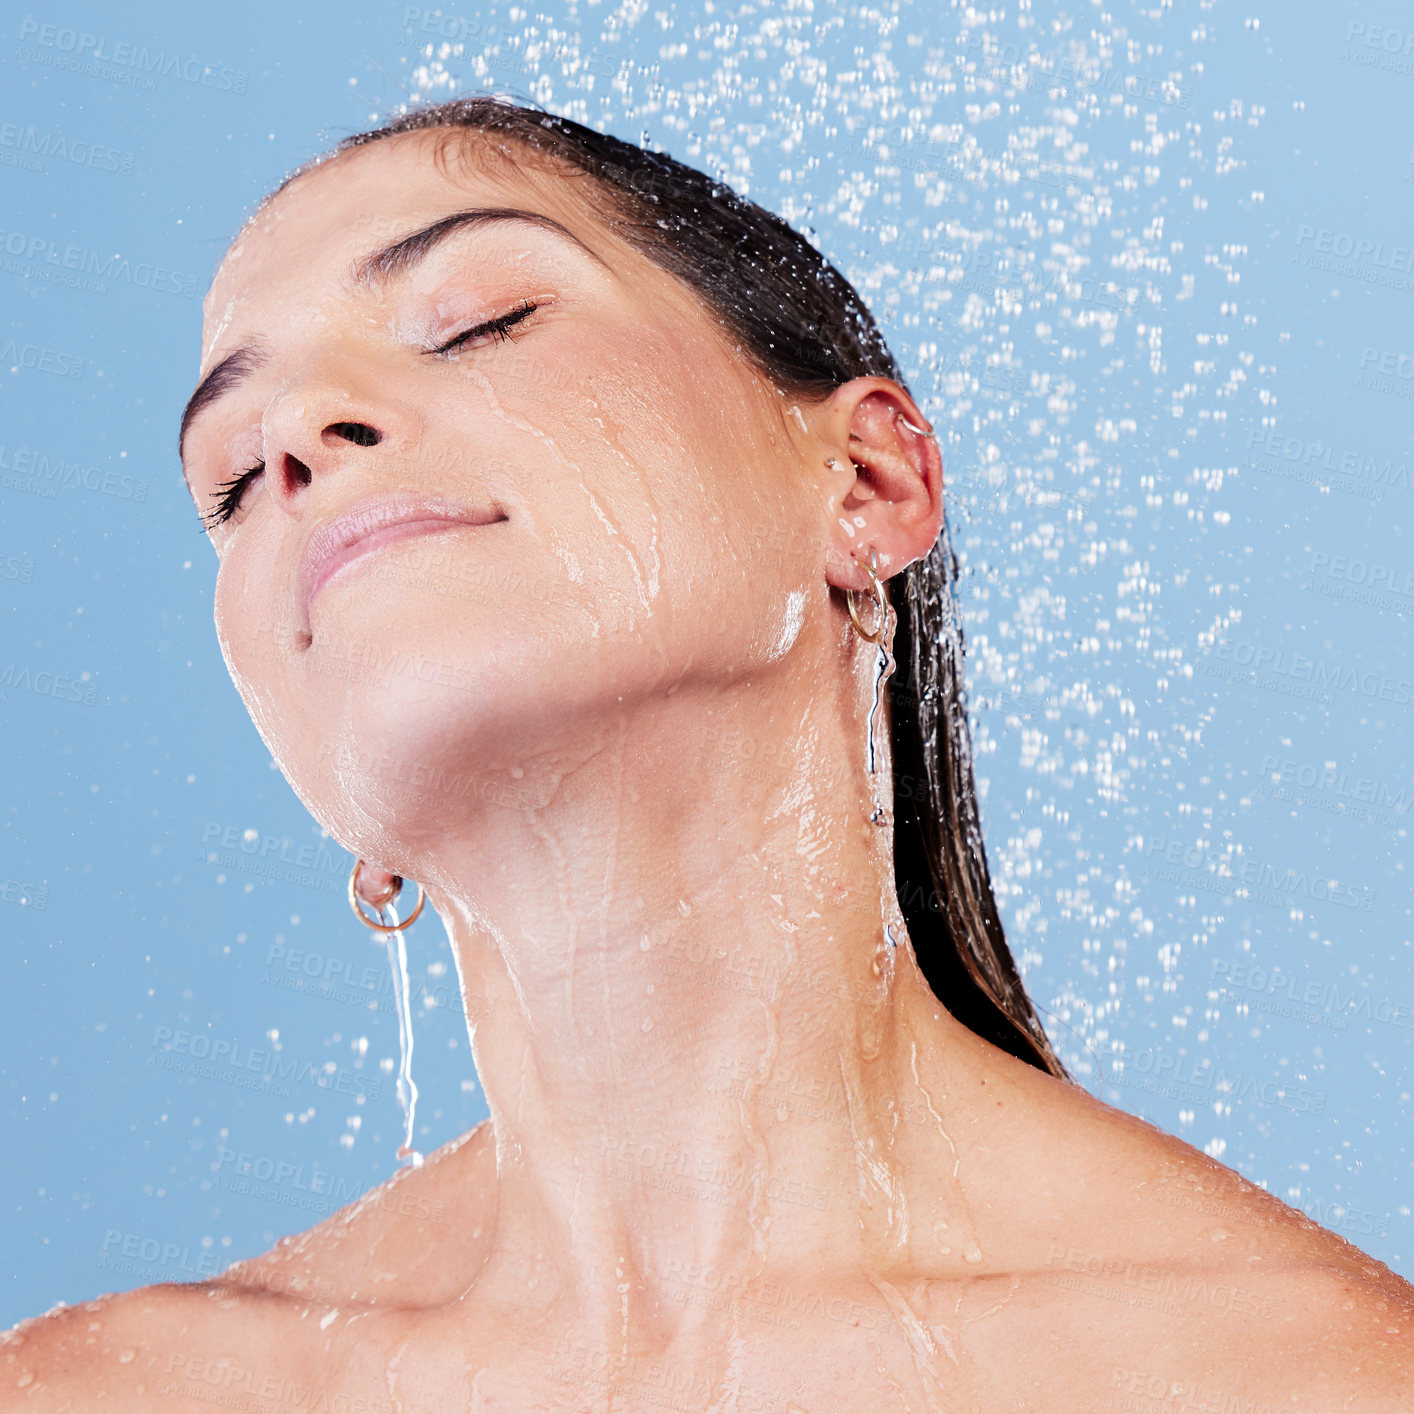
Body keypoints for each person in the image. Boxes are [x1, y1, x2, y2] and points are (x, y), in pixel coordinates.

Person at [4, 95, 1411, 1411]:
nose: (299, 439)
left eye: (479, 318)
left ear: (864, 481)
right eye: (234, 480)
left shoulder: (1292, 1372)